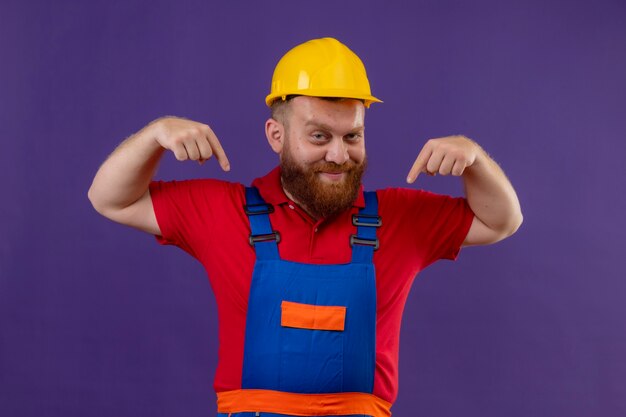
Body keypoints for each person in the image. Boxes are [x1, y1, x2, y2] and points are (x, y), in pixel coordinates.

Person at [88, 37, 522, 417]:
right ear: (276, 136)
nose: (338, 155)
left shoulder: (399, 217)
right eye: (319, 137)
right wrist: (154, 134)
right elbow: (109, 198)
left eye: (352, 136)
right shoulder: (225, 211)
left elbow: (502, 220)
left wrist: (475, 158)